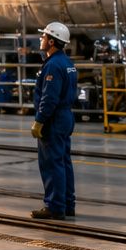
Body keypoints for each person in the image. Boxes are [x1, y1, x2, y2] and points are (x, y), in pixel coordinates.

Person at [31, 21, 77, 220]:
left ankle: (55, 206)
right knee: (64, 162)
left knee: (52, 163)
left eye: (44, 37)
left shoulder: (53, 65)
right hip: (65, 116)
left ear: (51, 41)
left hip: (54, 119)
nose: (41, 40)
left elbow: (49, 98)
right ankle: (67, 204)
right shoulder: (67, 63)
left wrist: (39, 121)